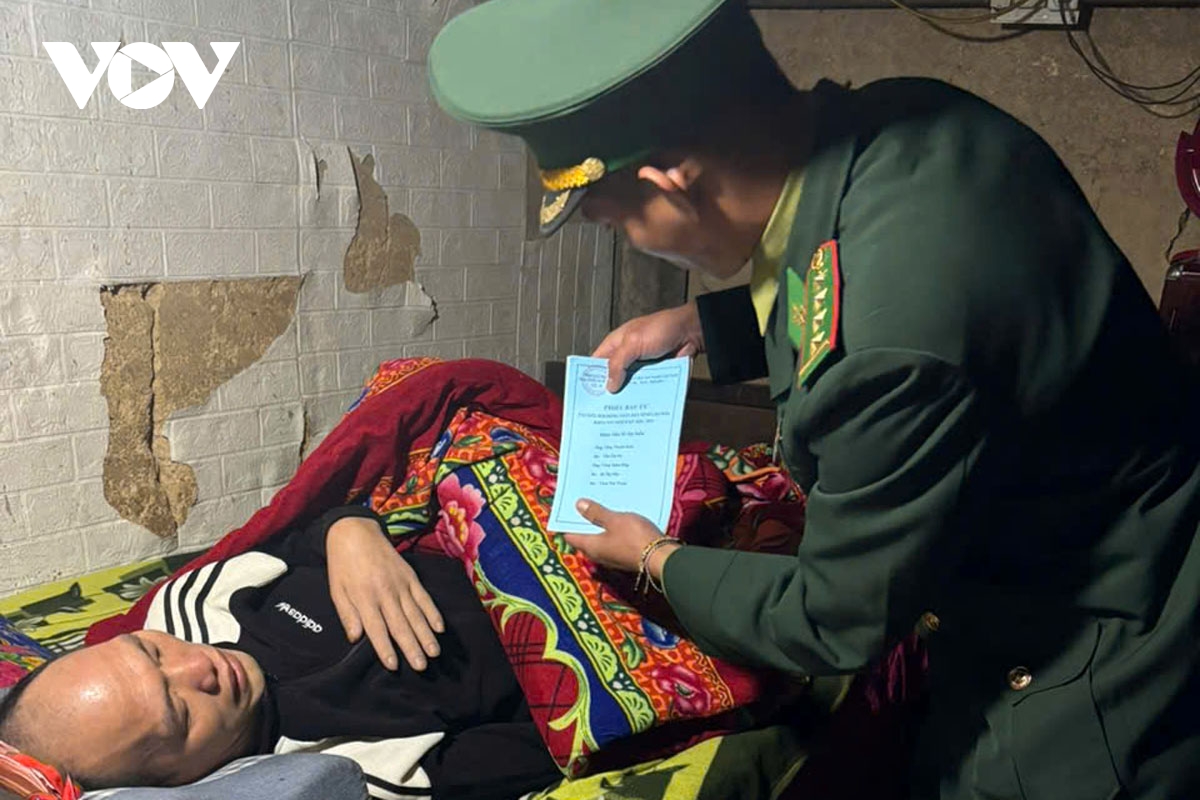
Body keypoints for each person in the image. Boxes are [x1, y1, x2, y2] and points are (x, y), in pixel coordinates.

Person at [428, 1, 1200, 798]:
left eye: (619, 223)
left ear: (670, 181)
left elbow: (836, 618)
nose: (631, 240)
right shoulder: (906, 117)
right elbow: (871, 277)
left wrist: (654, 558)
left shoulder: (891, 332)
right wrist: (703, 323)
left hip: (1095, 657)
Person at [0, 507, 561, 799]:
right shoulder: (357, 770)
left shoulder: (189, 603)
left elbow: (303, 525)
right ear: (174, 781)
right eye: (181, 714)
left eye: (150, 651)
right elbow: (557, 736)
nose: (199, 665)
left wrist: (349, 532)